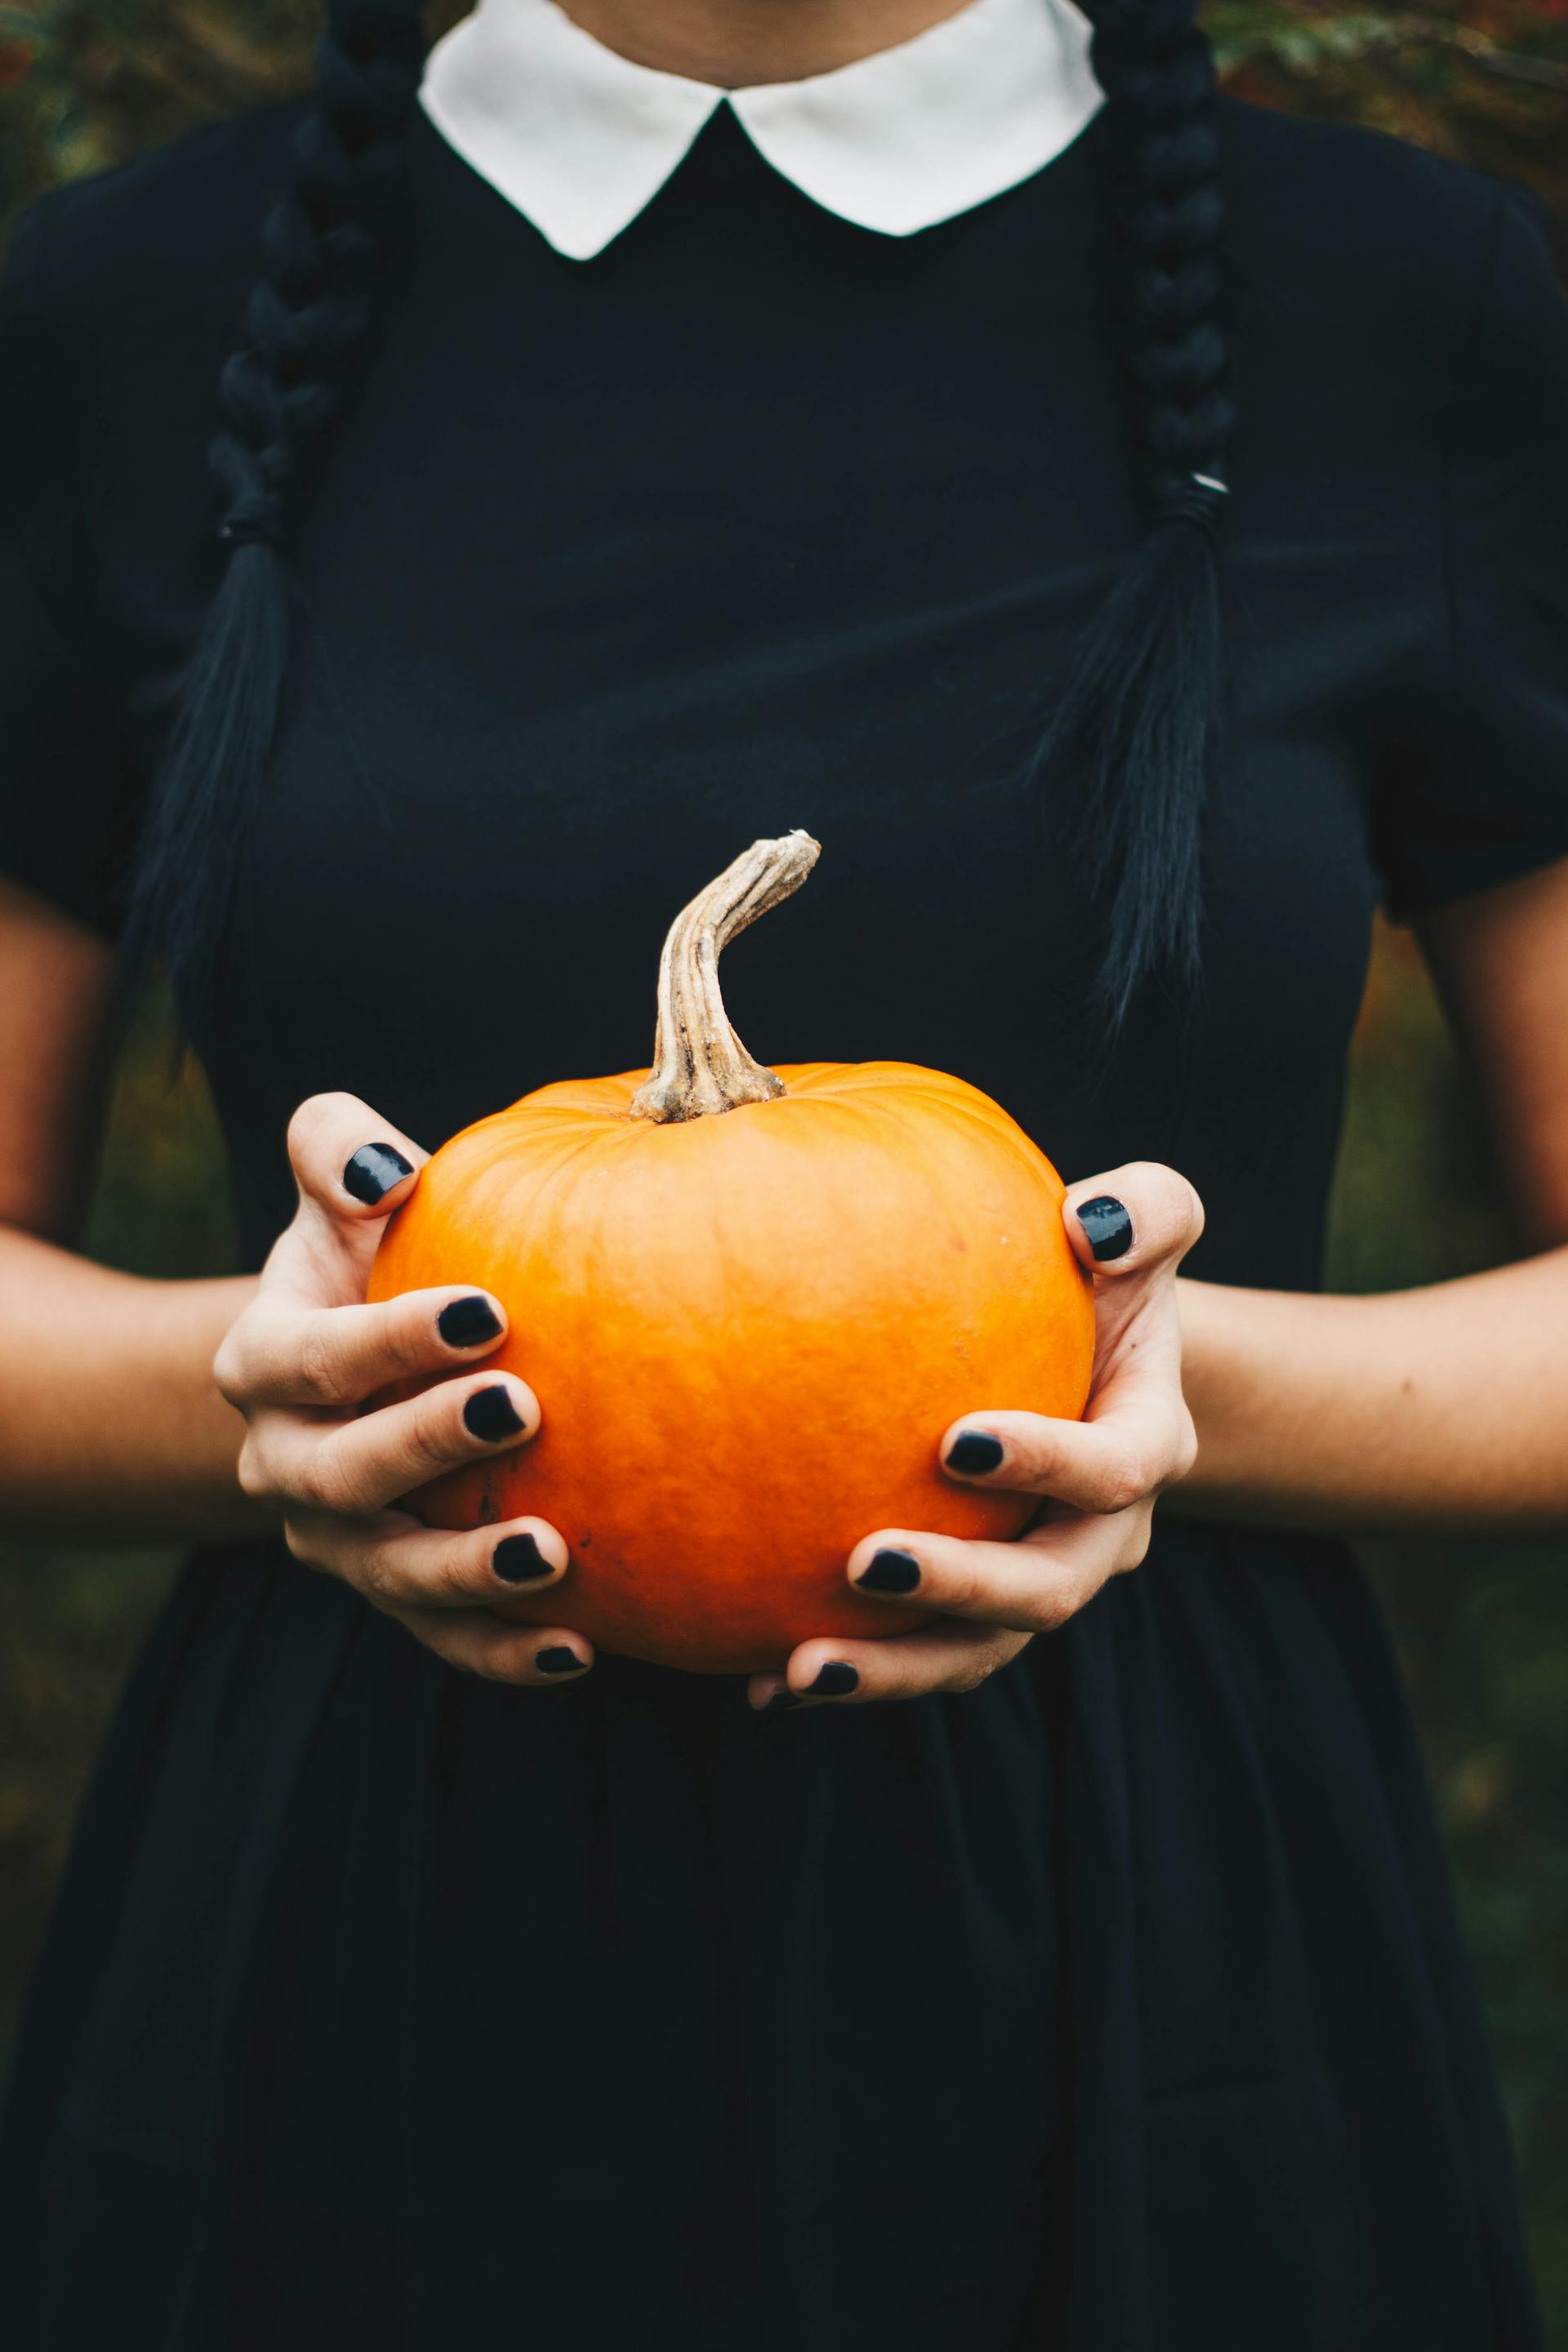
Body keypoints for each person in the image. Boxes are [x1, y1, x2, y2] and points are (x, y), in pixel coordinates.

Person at [0, 0, 1563, 2341]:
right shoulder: (120, 310)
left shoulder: (1410, 297)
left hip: (1172, 1953)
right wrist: (282, 1403)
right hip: (362, 1939)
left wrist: (1146, 1382)